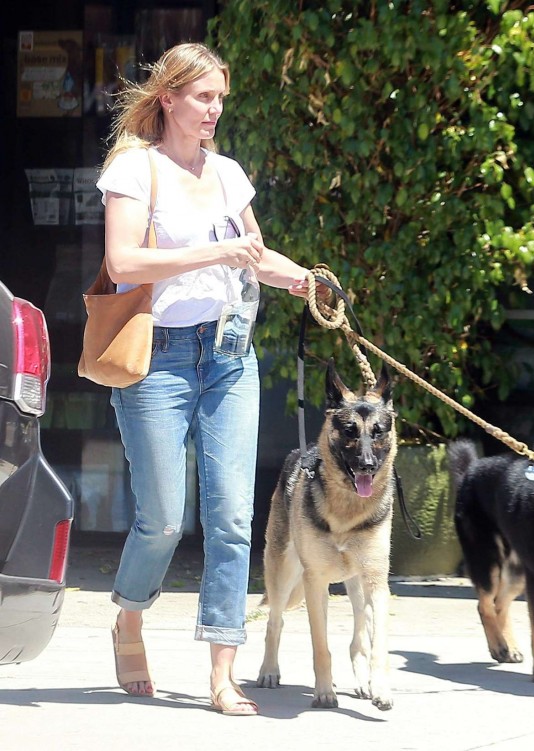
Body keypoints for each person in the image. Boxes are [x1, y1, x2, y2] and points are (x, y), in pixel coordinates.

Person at [96, 42, 319, 716]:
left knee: (230, 517)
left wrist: (306, 279)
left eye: (220, 97)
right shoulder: (138, 170)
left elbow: (255, 254)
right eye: (202, 97)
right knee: (163, 519)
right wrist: (216, 249)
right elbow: (122, 260)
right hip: (156, 358)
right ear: (168, 98)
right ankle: (129, 615)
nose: (214, 109)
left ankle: (223, 672)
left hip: (227, 357)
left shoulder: (227, 174)